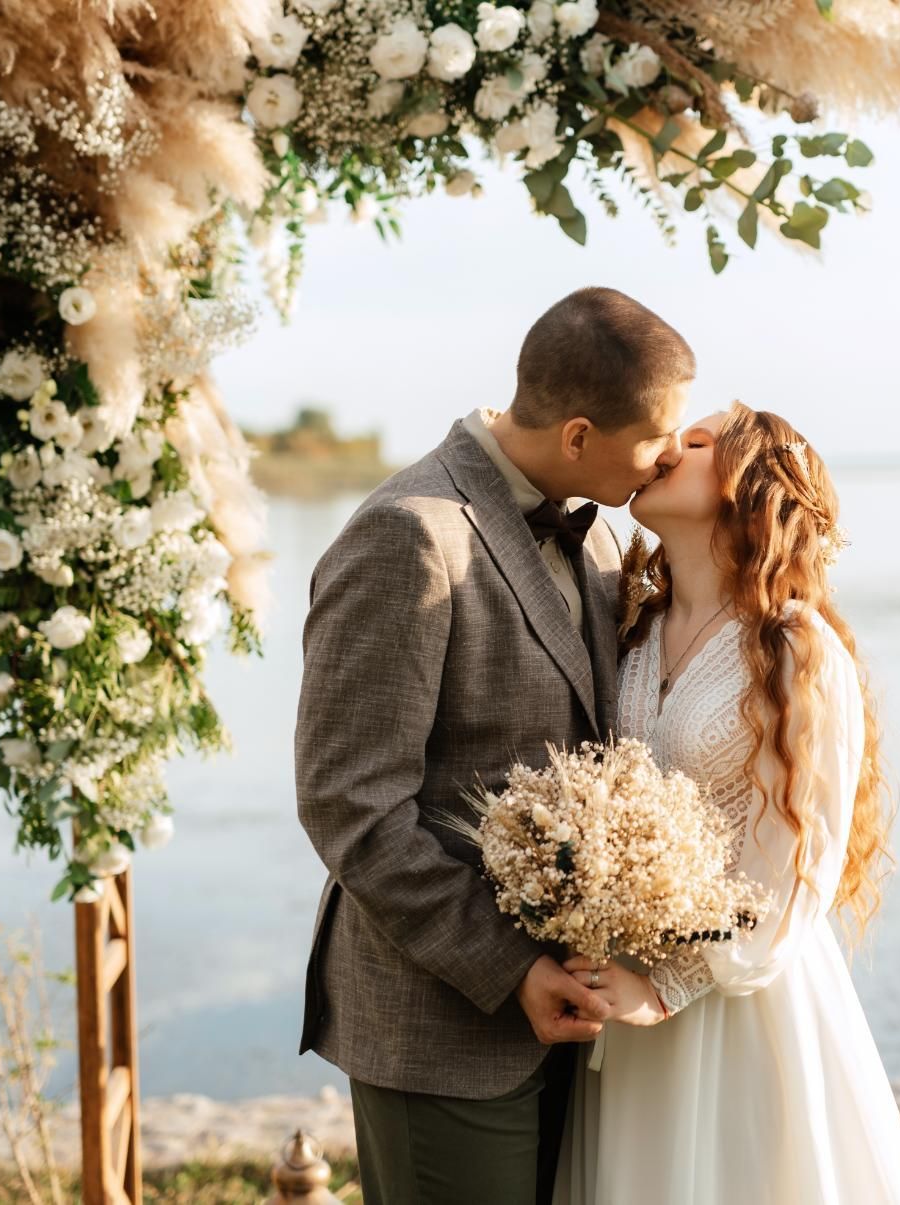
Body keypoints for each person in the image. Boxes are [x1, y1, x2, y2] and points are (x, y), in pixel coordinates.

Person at [293, 285, 693, 1205]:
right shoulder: (408, 536)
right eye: (655, 437)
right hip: (441, 1025)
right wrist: (510, 965)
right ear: (581, 435)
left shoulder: (593, 535)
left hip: (576, 1030)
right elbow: (350, 804)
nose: (668, 455)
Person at [552, 402, 900, 1205]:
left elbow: (798, 860)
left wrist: (669, 984)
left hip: (738, 998)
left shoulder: (796, 645)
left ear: (749, 488)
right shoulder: (633, 625)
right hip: (622, 984)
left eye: (694, 443)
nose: (662, 448)